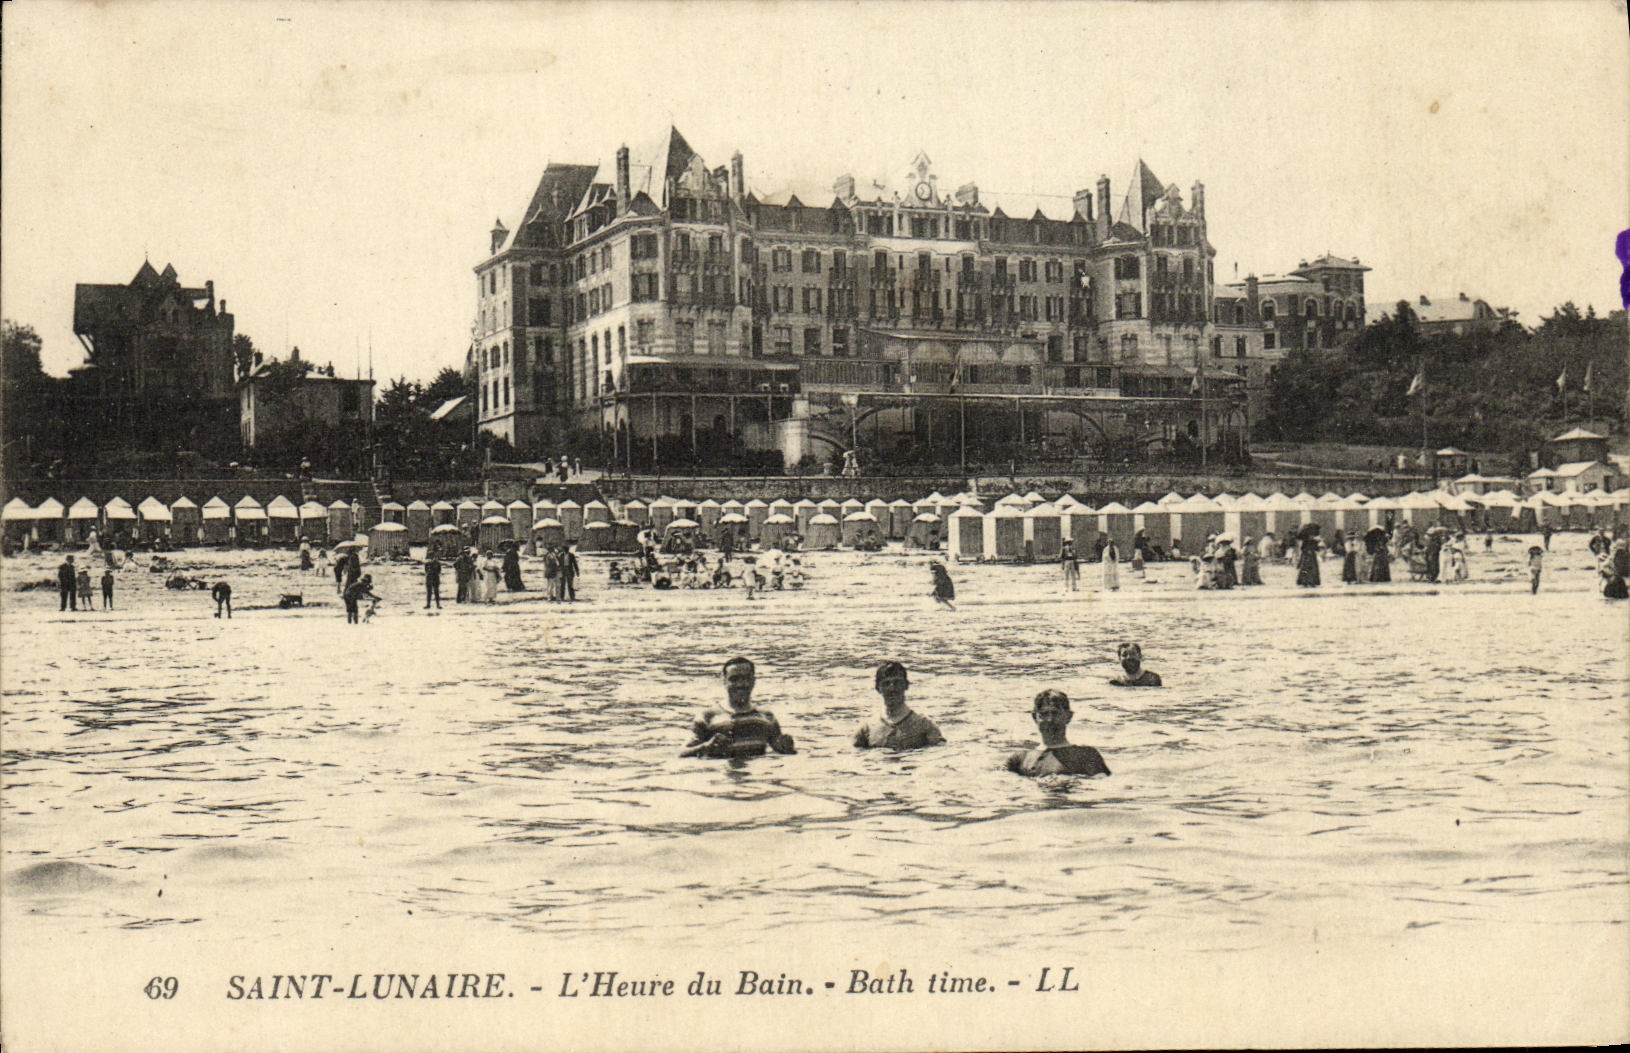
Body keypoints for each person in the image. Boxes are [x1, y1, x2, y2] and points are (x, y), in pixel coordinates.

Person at [681, 657, 796, 758]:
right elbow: (682, 753)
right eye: (734, 679)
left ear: (753, 681)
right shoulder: (708, 717)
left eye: (746, 678)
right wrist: (706, 747)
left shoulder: (767, 718)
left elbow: (781, 753)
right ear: (724, 681)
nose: (740, 684)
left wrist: (787, 749)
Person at [1004, 689, 1110, 778]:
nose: (1049, 720)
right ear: (1034, 717)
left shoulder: (1086, 756)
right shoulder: (1019, 760)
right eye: (1044, 714)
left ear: (1068, 716)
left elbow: (1102, 788)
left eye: (1055, 713)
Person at [854, 661, 945, 750]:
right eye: (886, 684)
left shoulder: (925, 726)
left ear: (906, 685)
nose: (892, 688)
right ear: (878, 688)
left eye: (897, 682)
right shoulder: (867, 728)